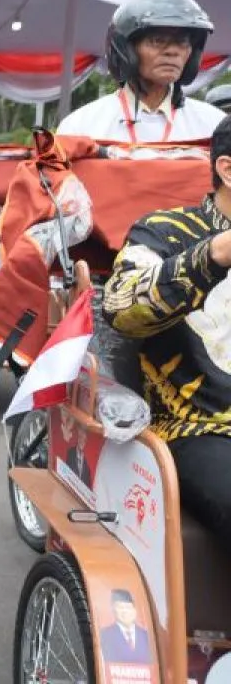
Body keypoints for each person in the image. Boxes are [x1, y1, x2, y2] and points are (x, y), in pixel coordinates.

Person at [103, 114, 231, 551]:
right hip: (198, 427)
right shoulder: (165, 232)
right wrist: (213, 255)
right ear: (227, 170)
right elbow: (120, 307)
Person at [58, 0, 225, 143]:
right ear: (125, 50)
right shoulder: (81, 127)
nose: (173, 51)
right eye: (157, 41)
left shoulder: (214, 125)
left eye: (182, 42)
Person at [98, 590, 152, 665]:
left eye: (128, 607)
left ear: (134, 610)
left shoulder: (146, 636)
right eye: (120, 607)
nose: (124, 611)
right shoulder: (104, 635)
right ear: (113, 610)